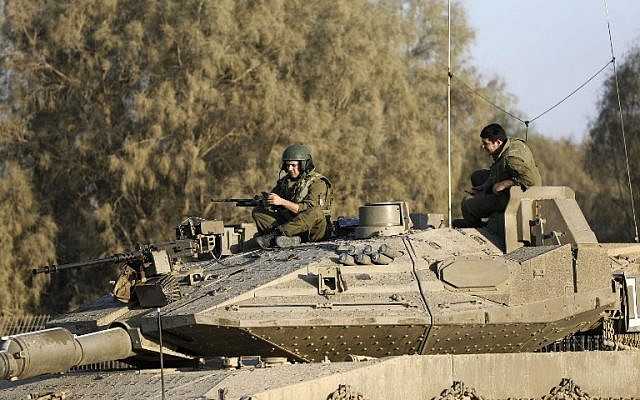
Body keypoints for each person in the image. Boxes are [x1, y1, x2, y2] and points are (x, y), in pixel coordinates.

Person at [457, 123, 542, 228]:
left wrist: (506, 183)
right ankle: (487, 210)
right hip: (512, 187)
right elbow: (499, 169)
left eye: (485, 143)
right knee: (477, 176)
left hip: (516, 197)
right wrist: (485, 186)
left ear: (497, 142)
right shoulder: (508, 145)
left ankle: (480, 229)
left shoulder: (511, 158)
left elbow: (532, 181)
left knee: (467, 204)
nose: (483, 147)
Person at [252, 144, 332, 248]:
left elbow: (308, 209)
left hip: (313, 230)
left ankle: (276, 236)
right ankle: (287, 239)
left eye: (293, 165)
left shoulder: (318, 183)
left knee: (314, 212)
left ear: (304, 165)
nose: (289, 168)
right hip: (292, 225)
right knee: (258, 212)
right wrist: (267, 201)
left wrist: (282, 202)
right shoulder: (285, 182)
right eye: (287, 165)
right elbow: (275, 201)